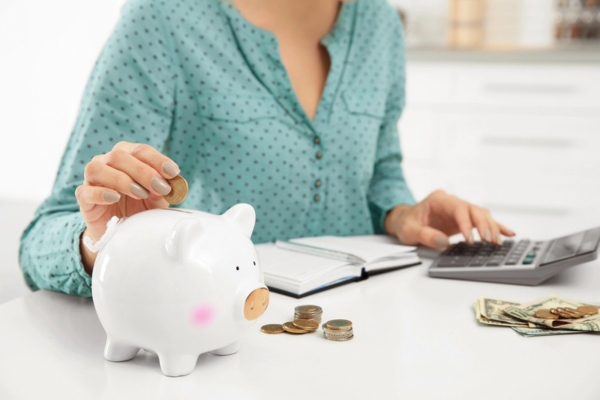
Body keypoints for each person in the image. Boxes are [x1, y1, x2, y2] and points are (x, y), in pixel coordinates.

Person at [19, 0, 514, 297]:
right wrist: (100, 244)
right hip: (217, 347)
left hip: (368, 339)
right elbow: (42, 237)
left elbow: (380, 168)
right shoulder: (163, 20)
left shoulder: (380, 22)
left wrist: (402, 211)